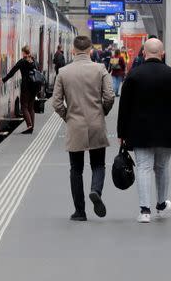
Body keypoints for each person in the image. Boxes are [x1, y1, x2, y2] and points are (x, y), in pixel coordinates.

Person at [117, 38, 171, 223]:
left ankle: (144, 211)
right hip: (167, 131)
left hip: (140, 131)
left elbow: (124, 107)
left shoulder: (134, 75)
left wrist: (122, 133)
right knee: (162, 167)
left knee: (143, 168)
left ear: (144, 53)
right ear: (162, 53)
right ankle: (160, 204)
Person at [49, 35, 115, 221]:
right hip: (96, 123)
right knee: (98, 165)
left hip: (75, 124)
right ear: (90, 50)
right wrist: (103, 112)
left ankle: (80, 212)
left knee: (76, 169)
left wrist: (67, 116)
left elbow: (56, 102)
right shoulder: (100, 68)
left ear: (73, 51)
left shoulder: (63, 72)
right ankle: (95, 190)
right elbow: (109, 96)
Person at [1, 45, 41, 134]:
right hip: (34, 87)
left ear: (23, 52)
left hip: (26, 87)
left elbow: (12, 72)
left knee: (24, 107)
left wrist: (3, 80)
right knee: (31, 107)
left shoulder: (22, 62)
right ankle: (31, 127)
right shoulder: (35, 61)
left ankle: (29, 125)